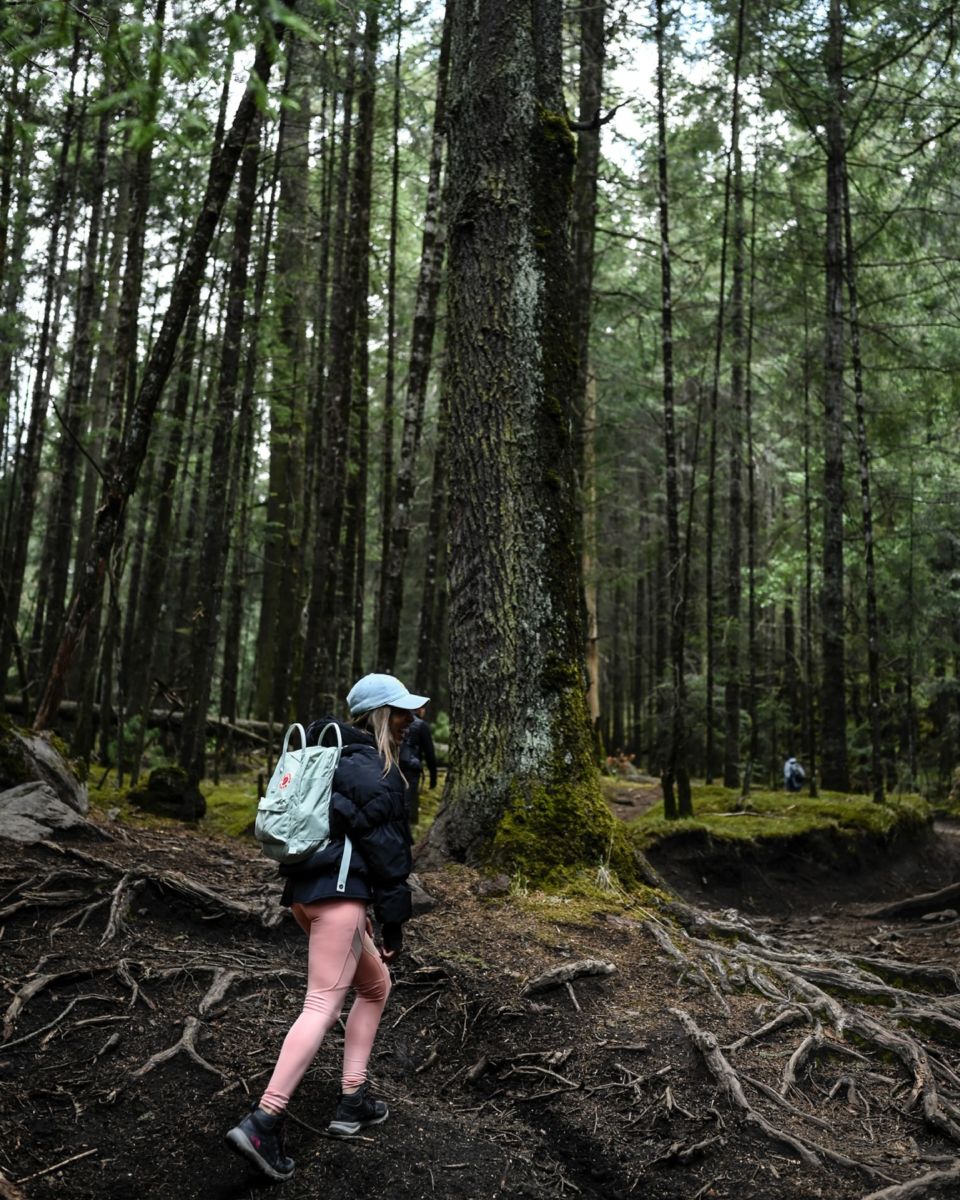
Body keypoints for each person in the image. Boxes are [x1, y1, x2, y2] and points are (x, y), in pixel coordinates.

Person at [226, 673, 427, 1181]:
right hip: (341, 900)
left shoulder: (323, 754)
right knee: (321, 1004)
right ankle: (264, 1120)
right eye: (401, 712)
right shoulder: (375, 772)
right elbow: (388, 857)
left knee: (376, 985)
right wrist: (395, 925)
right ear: (381, 716)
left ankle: (352, 1099)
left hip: (306, 897)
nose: (411, 720)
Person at [403, 704, 438, 826]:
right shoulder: (421, 725)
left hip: (395, 766)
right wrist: (433, 777)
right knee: (410, 801)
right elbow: (430, 753)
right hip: (412, 769)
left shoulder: (397, 720)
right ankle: (408, 830)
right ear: (420, 709)